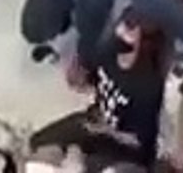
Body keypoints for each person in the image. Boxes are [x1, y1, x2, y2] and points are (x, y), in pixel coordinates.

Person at [29, 10, 168, 170]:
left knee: (83, 165)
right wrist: (79, 77)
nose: (120, 31)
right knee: (38, 142)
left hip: (124, 148)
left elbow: (138, 141)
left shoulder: (146, 86)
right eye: (122, 24)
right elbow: (92, 81)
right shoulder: (108, 50)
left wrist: (105, 131)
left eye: (129, 30)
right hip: (96, 120)